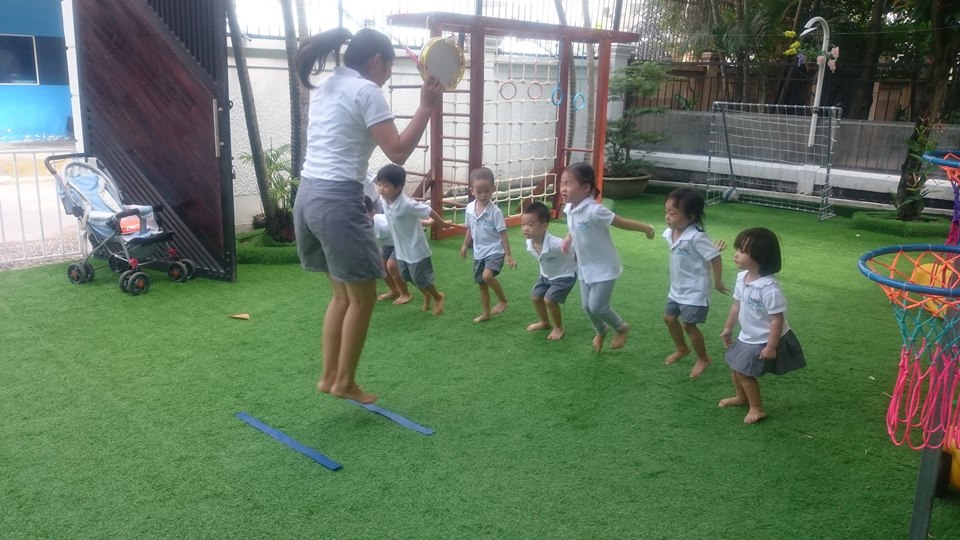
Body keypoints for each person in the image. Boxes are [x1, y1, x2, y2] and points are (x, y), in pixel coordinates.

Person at [292, 27, 444, 404]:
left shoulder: (329, 84)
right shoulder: (366, 90)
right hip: (336, 202)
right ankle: (343, 381)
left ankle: (330, 377)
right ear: (377, 61)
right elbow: (398, 152)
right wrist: (426, 106)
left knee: (342, 296)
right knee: (361, 299)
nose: (388, 76)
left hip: (307, 197)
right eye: (388, 67)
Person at [559, 162, 656, 352]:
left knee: (597, 306)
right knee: (587, 306)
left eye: (568, 184)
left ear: (586, 187)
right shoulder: (570, 208)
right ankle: (601, 330)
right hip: (585, 266)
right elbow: (574, 227)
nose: (563, 188)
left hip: (604, 267)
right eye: (562, 183)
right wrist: (568, 239)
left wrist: (647, 229)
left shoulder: (595, 211)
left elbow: (622, 223)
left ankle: (621, 327)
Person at [719, 227, 806, 424]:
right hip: (747, 335)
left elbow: (777, 319)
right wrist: (728, 328)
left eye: (742, 251)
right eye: (737, 249)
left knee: (744, 372)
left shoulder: (769, 289)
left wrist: (771, 347)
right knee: (735, 367)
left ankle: (757, 408)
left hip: (764, 338)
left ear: (761, 258)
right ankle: (741, 397)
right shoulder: (742, 278)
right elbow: (736, 305)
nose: (736, 254)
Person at [662, 188, 729, 379]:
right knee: (669, 319)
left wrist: (718, 281)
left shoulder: (697, 236)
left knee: (689, 325)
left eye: (673, 213)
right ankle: (682, 349)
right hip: (677, 288)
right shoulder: (669, 233)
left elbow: (714, 258)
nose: (667, 217)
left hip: (696, 291)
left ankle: (703, 358)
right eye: (666, 212)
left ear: (690, 217)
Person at [377, 164, 453, 315]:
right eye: (379, 184)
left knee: (420, 278)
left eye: (385, 185)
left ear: (399, 187)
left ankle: (438, 296)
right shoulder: (383, 200)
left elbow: (428, 210)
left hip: (415, 248)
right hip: (401, 248)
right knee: (407, 276)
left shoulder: (406, 204)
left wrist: (443, 224)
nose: (381, 188)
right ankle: (426, 294)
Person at [459, 167, 517, 323]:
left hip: (495, 250)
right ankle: (486, 313)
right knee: (482, 284)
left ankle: (503, 301)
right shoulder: (469, 208)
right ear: (472, 191)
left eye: (487, 191)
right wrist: (465, 245)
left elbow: (503, 234)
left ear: (493, 189)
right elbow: (470, 228)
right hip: (479, 252)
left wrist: (508, 255)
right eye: (479, 191)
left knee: (487, 276)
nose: (483, 195)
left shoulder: (495, 212)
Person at [521, 201, 577, 340]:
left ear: (544, 226)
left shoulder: (555, 244)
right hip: (546, 276)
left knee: (550, 300)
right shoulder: (529, 242)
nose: (525, 228)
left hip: (565, 275)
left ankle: (558, 327)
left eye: (530, 225)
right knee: (535, 297)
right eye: (523, 224)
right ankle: (544, 322)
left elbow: (576, 250)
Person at [366, 196, 412, 304]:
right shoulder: (356, 226)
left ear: (372, 213)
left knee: (392, 266)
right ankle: (395, 291)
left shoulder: (385, 224)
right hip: (388, 242)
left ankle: (405, 294)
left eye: (362, 214)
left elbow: (406, 225)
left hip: (403, 238)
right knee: (381, 266)